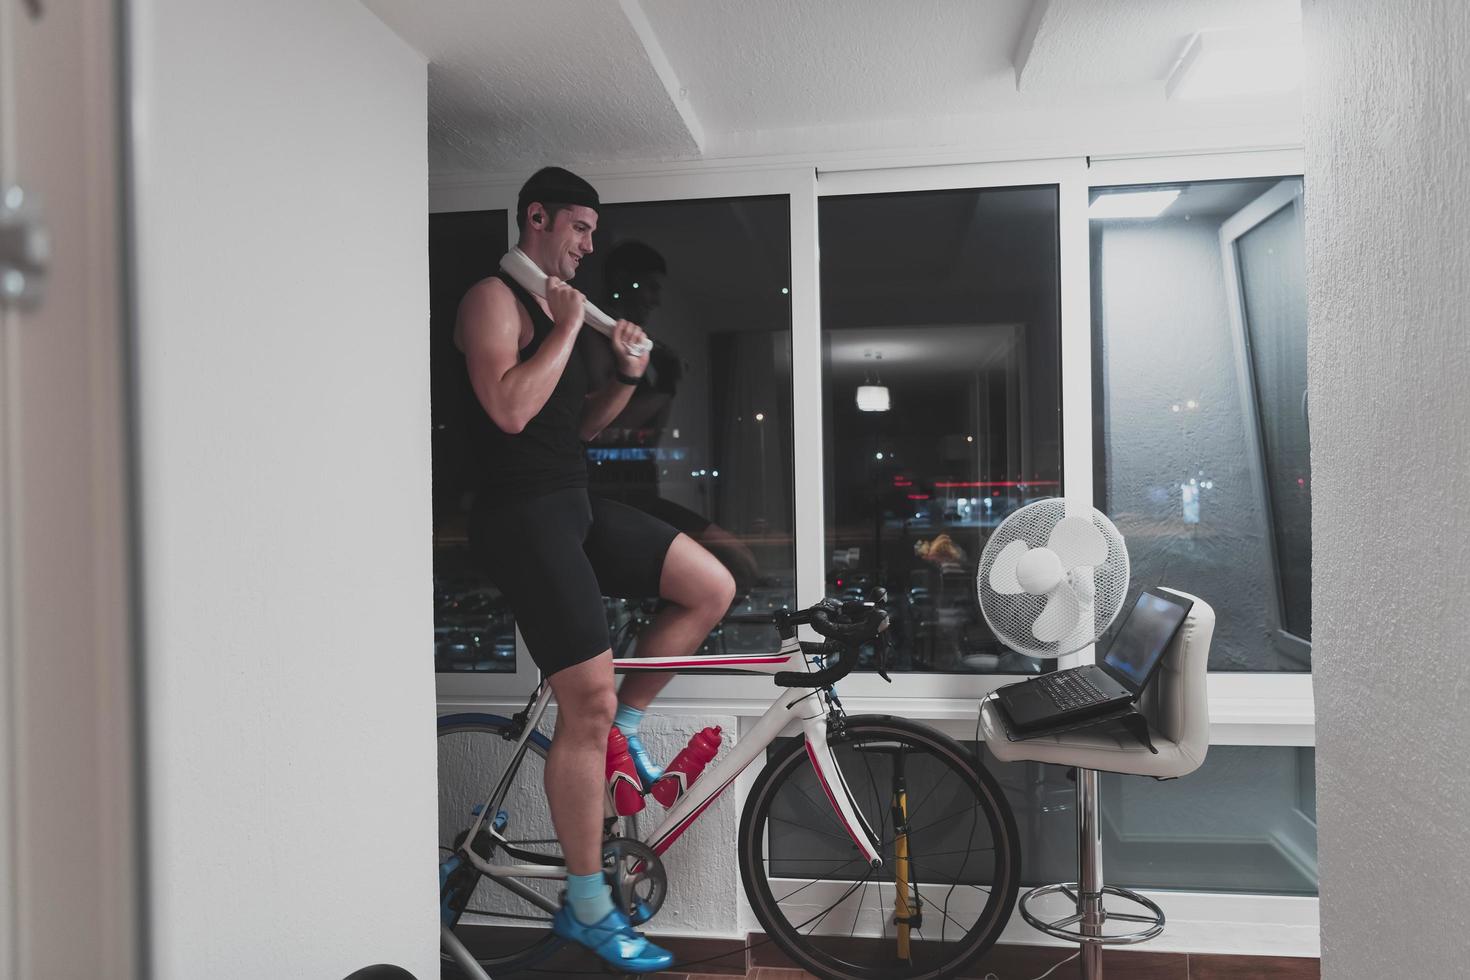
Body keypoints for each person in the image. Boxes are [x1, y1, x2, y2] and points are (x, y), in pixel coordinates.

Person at [455, 166, 735, 973]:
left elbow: (573, 426)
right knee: (586, 699)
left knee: (709, 586)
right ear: (536, 218)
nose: (587, 245)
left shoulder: (558, 312)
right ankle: (586, 907)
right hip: (519, 519)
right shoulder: (492, 301)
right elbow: (508, 408)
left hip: (570, 498)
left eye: (591, 233)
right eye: (578, 228)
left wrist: (623, 374)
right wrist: (566, 331)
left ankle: (626, 730)